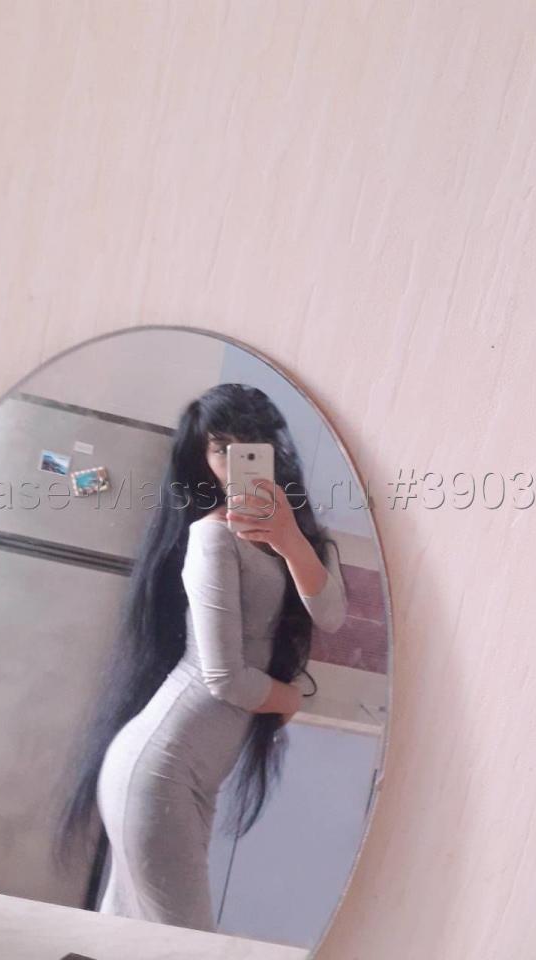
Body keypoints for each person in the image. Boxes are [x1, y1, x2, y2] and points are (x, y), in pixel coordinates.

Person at [51, 383, 347, 932]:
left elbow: (330, 615)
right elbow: (223, 677)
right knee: (185, 945)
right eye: (221, 447)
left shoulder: (300, 533)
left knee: (128, 939)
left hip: (184, 778)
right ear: (203, 458)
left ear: (273, 447)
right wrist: (287, 699)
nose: (236, 460)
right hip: (158, 770)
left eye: (249, 442)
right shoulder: (212, 538)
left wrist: (289, 539)